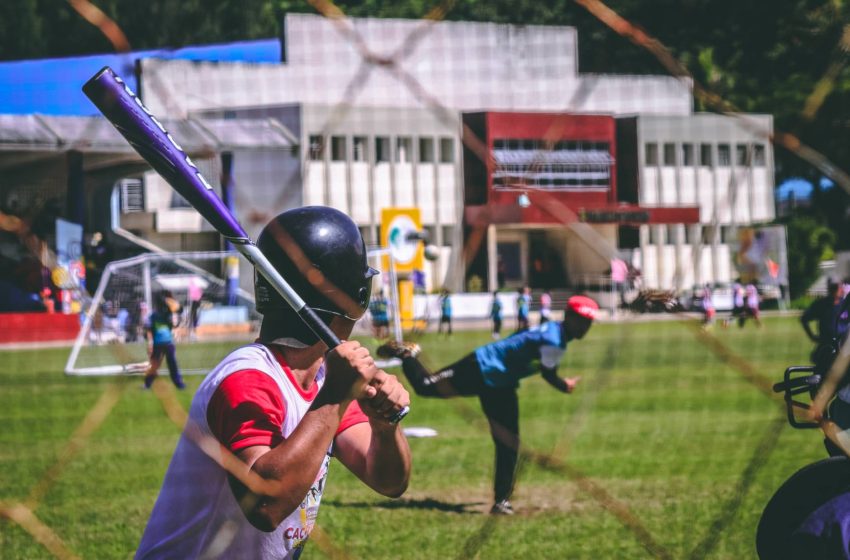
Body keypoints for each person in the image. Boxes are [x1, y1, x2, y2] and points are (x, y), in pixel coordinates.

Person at [136, 207, 411, 559]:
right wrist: (334, 398)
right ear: (354, 294)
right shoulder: (248, 380)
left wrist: (385, 425)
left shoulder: (325, 379)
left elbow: (387, 481)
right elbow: (265, 504)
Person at [378, 295, 598, 515]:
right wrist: (564, 385)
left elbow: (522, 338)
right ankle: (408, 354)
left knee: (509, 443)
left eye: (588, 322)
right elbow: (549, 374)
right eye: (580, 320)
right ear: (568, 316)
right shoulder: (554, 341)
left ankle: (502, 500)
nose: (584, 326)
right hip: (480, 367)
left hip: (501, 383)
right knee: (425, 385)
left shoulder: (551, 329)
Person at [801, 279, 845, 379]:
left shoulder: (846, 305)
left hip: (844, 347)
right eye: (833, 286)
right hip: (826, 347)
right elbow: (804, 319)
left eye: (837, 286)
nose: (835, 289)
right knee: (821, 377)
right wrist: (812, 336)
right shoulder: (821, 304)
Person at [143, 290, 186, 390]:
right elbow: (149, 330)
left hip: (168, 343)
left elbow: (180, 310)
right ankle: (147, 384)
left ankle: (179, 384)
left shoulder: (169, 314)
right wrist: (150, 343)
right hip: (157, 344)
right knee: (154, 365)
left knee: (172, 365)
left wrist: (170, 301)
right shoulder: (153, 316)